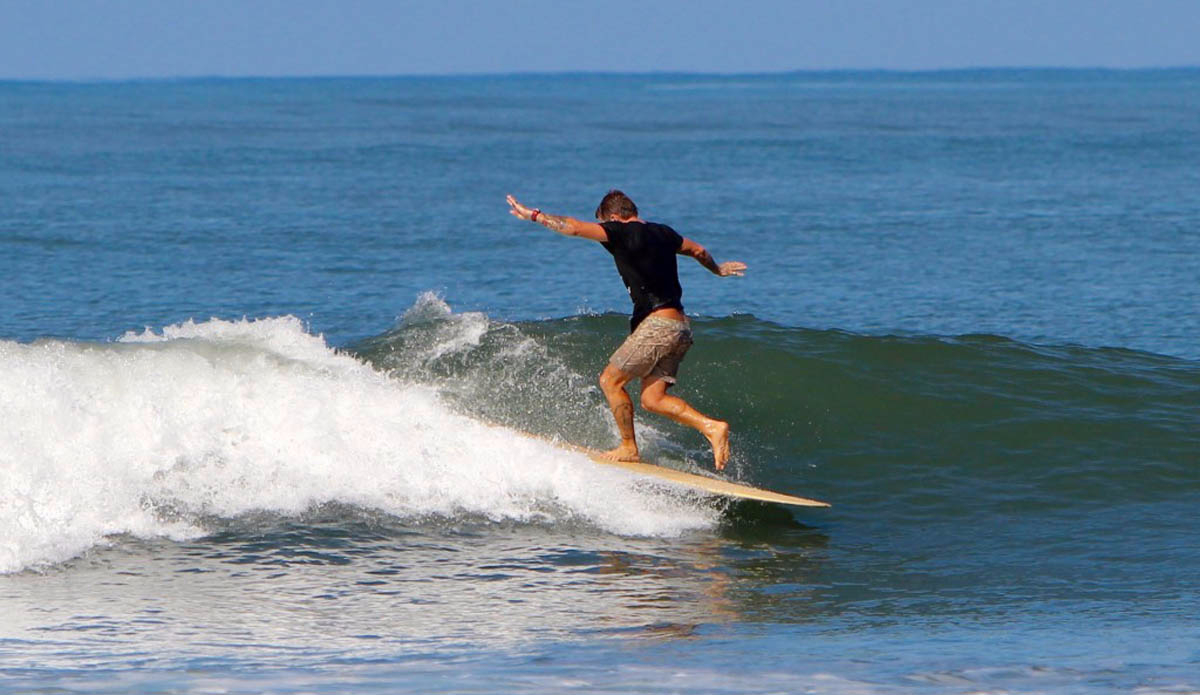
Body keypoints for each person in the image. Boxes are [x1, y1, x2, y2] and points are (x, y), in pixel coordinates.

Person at [505, 190, 747, 470]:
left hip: (658, 326)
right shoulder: (664, 232)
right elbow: (699, 251)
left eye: (605, 224)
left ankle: (629, 447)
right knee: (653, 399)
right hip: (680, 327)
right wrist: (717, 270)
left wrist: (534, 215)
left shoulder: (620, 231)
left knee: (610, 381)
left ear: (614, 217)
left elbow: (573, 227)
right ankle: (712, 427)